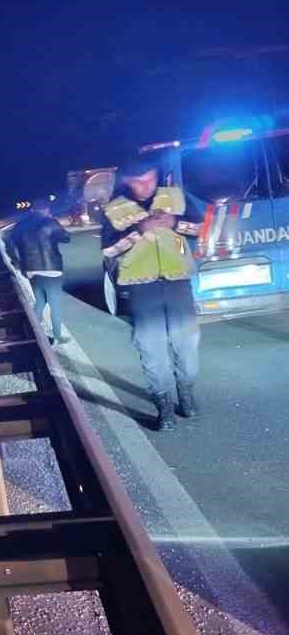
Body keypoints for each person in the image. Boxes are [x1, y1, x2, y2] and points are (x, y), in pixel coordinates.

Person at [101, 157, 202, 431]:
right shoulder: (115, 210)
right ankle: (164, 406)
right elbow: (109, 251)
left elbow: (197, 231)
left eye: (149, 179)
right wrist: (137, 230)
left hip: (178, 284)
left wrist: (175, 223)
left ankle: (186, 392)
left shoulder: (177, 199)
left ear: (157, 175)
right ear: (126, 181)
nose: (145, 186)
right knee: (151, 347)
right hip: (141, 289)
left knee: (187, 344)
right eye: (137, 182)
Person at [9, 200, 70, 342]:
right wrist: (53, 222)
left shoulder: (20, 226)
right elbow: (66, 238)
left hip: (31, 270)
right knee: (55, 305)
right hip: (52, 269)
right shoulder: (50, 222)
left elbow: (11, 245)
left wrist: (17, 262)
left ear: (32, 210)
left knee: (40, 302)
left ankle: (34, 333)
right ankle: (57, 336)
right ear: (46, 209)